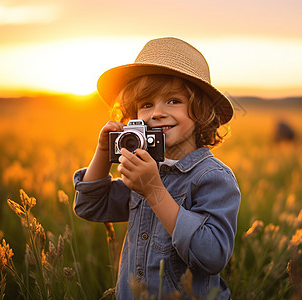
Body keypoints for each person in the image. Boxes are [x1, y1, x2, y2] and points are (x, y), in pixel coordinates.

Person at [73, 37, 241, 299]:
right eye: (146, 104)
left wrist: (153, 189)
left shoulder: (213, 177)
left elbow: (213, 255)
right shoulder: (147, 169)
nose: (157, 113)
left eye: (173, 101)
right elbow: (90, 206)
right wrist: (104, 153)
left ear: (201, 110)